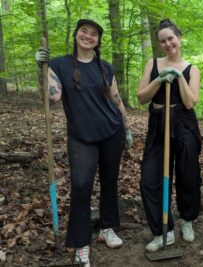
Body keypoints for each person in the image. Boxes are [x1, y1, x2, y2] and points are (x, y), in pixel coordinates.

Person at [35, 19, 132, 266]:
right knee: (80, 186)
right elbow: (53, 97)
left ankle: (107, 228)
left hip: (112, 132)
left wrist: (127, 127)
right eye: (83, 32)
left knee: (110, 181)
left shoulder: (106, 67)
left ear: (98, 41)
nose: (88, 36)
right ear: (76, 35)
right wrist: (41, 68)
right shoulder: (59, 64)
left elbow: (117, 99)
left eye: (93, 34)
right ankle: (81, 243)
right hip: (81, 136)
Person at [137, 18, 201, 252]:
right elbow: (142, 97)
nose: (167, 44)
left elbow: (190, 102)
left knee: (187, 175)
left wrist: (180, 76)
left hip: (184, 124)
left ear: (179, 38)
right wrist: (159, 79)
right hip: (157, 124)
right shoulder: (151, 63)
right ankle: (163, 230)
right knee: (149, 180)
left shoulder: (193, 69)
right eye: (163, 41)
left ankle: (187, 219)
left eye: (171, 38)